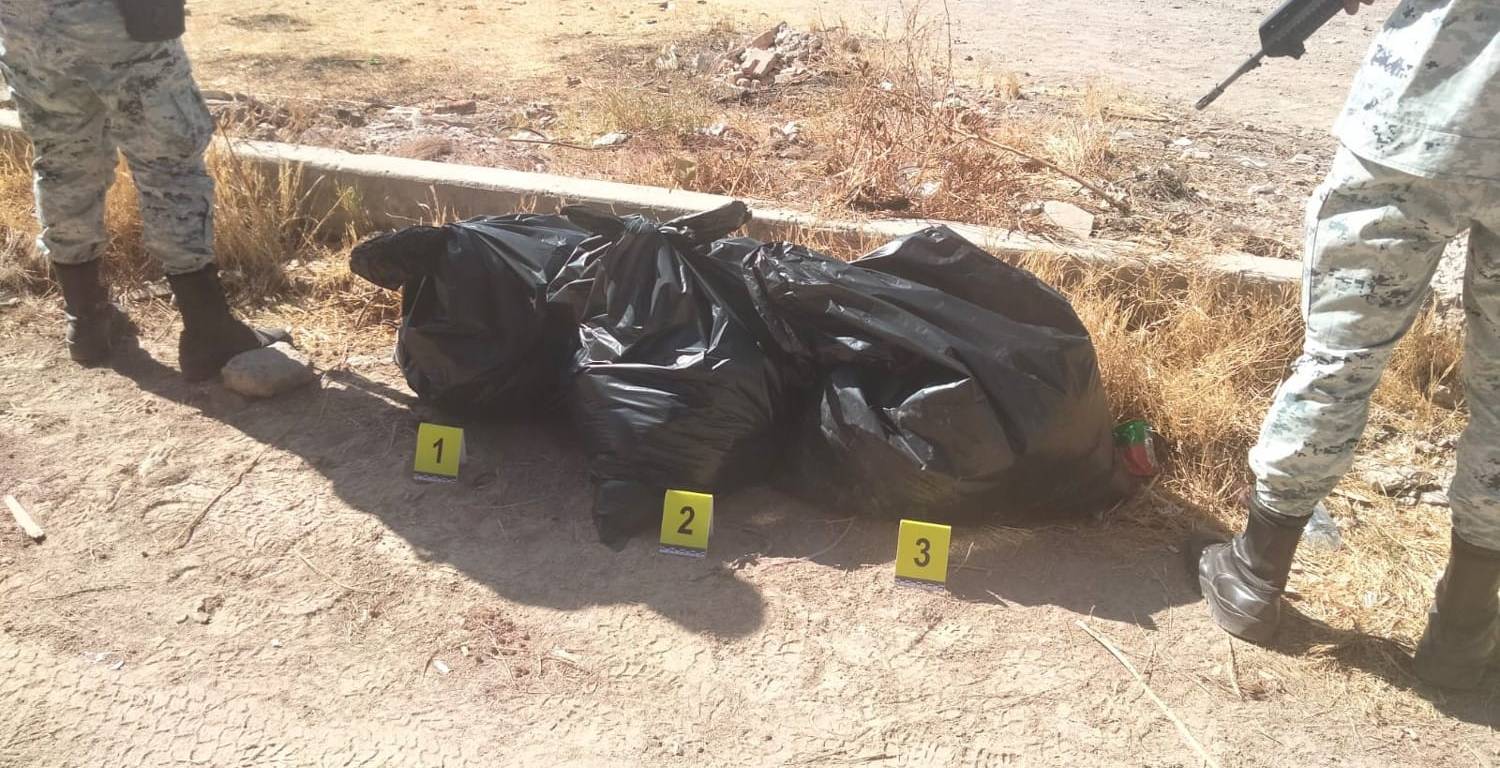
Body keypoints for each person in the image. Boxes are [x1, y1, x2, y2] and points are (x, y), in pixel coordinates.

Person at [1198, 0, 1500, 690]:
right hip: (1418, 126)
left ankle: (1254, 575)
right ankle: (1464, 630)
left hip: (1420, 122)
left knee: (1339, 362)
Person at [0, 0, 285, 380]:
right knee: (170, 164)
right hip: (119, 21)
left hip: (25, 23)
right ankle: (207, 329)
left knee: (62, 161)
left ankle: (85, 319)